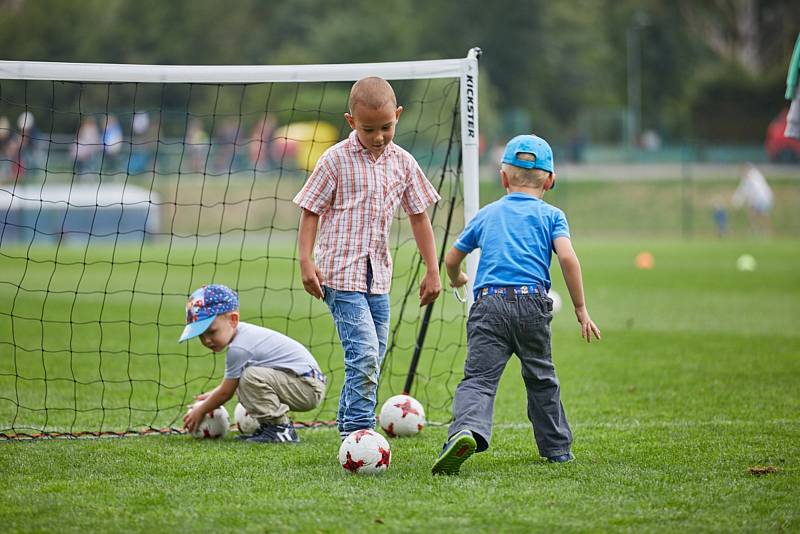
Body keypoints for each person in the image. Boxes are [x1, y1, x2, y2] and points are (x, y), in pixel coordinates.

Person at [431, 134, 601, 475]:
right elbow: (567, 258)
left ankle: (465, 432)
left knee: (478, 380)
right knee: (541, 379)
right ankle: (557, 449)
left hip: (489, 305)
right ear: (550, 180)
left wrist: (456, 278)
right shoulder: (553, 215)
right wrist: (581, 309)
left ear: (503, 177)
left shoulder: (486, 214)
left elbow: (451, 258)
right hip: (533, 304)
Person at [293, 76, 442, 441]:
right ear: (351, 122)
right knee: (363, 355)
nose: (378, 136)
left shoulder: (403, 164)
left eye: (386, 127)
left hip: (379, 277)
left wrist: (433, 269)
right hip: (339, 276)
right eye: (368, 129)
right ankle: (360, 433)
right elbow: (310, 210)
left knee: (372, 354)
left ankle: (347, 424)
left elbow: (419, 215)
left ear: (399, 116)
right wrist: (305, 261)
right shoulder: (334, 161)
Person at [179, 284, 327, 443]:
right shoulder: (242, 336)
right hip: (304, 383)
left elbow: (226, 392)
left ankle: (280, 430)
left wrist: (201, 410)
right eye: (201, 335)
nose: (207, 340)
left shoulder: (238, 349)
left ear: (233, 320)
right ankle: (271, 428)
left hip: (307, 387)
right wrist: (212, 396)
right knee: (247, 376)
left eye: (212, 332)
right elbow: (229, 386)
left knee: (249, 376)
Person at [732, 162, 773, 235]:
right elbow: (742, 191)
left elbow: (754, 189)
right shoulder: (746, 179)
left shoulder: (754, 175)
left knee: (762, 214)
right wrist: (736, 202)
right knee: (752, 213)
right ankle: (756, 230)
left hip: (763, 198)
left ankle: (766, 231)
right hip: (757, 199)